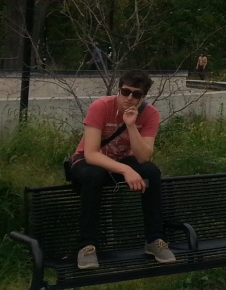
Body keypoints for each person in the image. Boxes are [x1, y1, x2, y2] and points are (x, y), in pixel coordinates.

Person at [66, 70, 176, 270]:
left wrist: (131, 126)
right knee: (94, 174)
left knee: (151, 171)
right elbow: (91, 154)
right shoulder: (101, 107)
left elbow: (143, 157)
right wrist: (126, 170)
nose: (130, 98)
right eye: (126, 92)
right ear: (119, 90)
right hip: (87, 162)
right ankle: (87, 246)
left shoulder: (150, 114)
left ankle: (154, 240)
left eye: (136, 95)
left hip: (120, 161)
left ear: (143, 97)